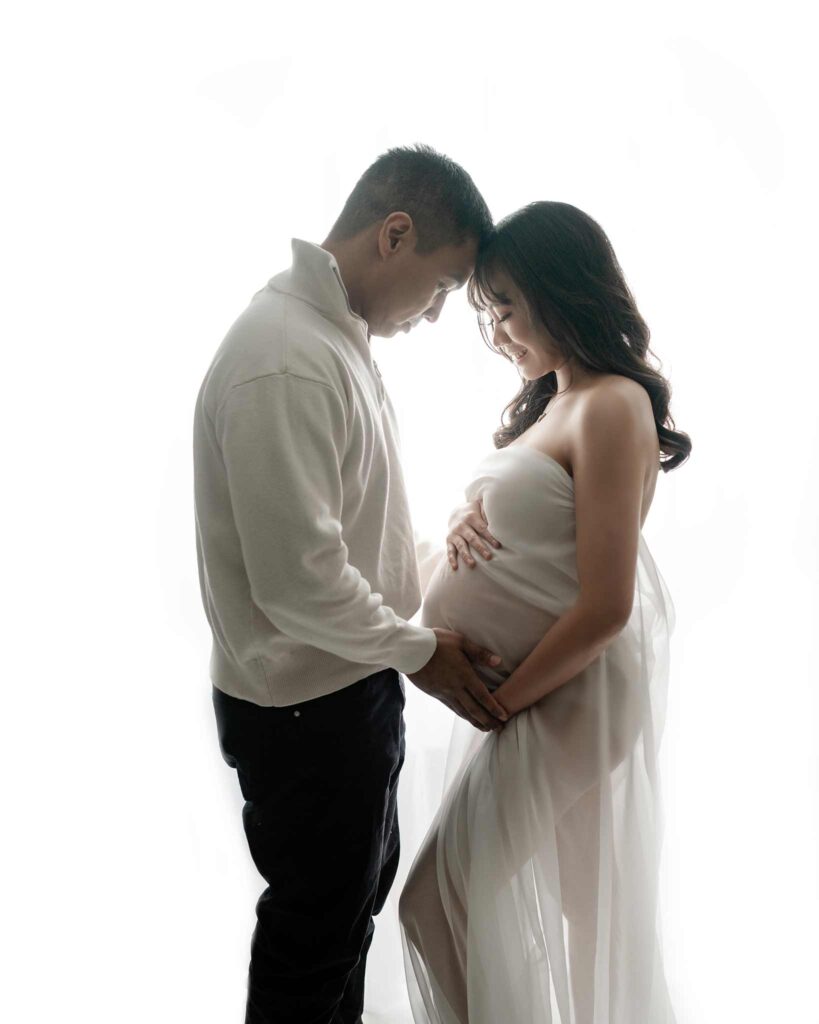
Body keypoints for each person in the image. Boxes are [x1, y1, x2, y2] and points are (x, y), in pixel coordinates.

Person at [192, 143, 512, 1024]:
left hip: (344, 689)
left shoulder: (333, 339)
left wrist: (434, 546)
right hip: (306, 709)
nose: (440, 313)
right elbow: (298, 582)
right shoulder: (286, 357)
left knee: (346, 919)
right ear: (394, 235)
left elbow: (342, 529)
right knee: (316, 938)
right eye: (444, 287)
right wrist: (421, 654)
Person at [398, 201, 691, 1024]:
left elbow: (603, 604)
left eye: (504, 307)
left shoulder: (610, 404)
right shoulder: (552, 405)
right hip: (543, 695)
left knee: (435, 905)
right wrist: (463, 513)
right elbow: (536, 537)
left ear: (560, 293)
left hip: (566, 694)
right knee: (588, 922)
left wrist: (499, 702)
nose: (494, 331)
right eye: (485, 311)